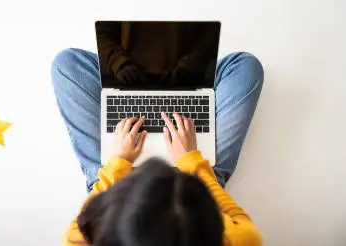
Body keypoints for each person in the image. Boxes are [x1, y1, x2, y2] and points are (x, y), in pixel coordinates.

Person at [51, 48, 264, 246]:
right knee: (245, 67)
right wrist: (191, 160)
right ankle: (170, 83)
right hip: (198, 186)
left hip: (116, 192)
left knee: (66, 64)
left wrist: (117, 162)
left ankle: (149, 82)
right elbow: (246, 231)